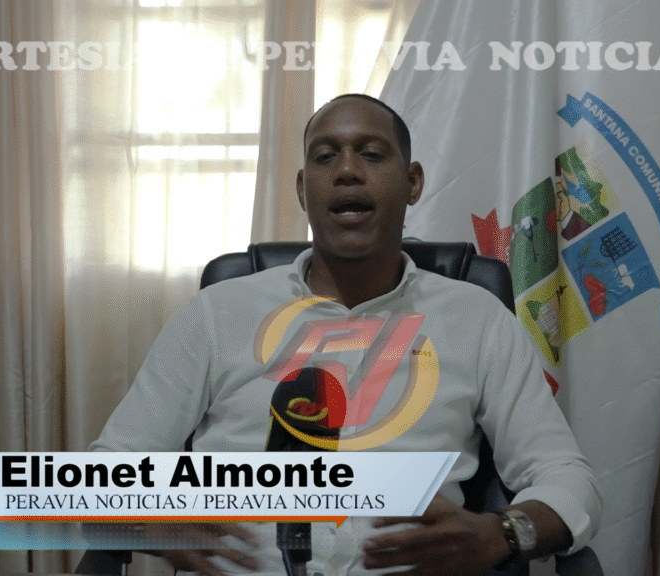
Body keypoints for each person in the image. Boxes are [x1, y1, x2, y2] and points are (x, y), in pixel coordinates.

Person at [91, 94, 602, 575]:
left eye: (372, 155)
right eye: (325, 157)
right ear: (302, 189)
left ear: (413, 182)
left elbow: (568, 480)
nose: (347, 171)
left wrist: (502, 534)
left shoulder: (478, 319)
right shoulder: (214, 315)